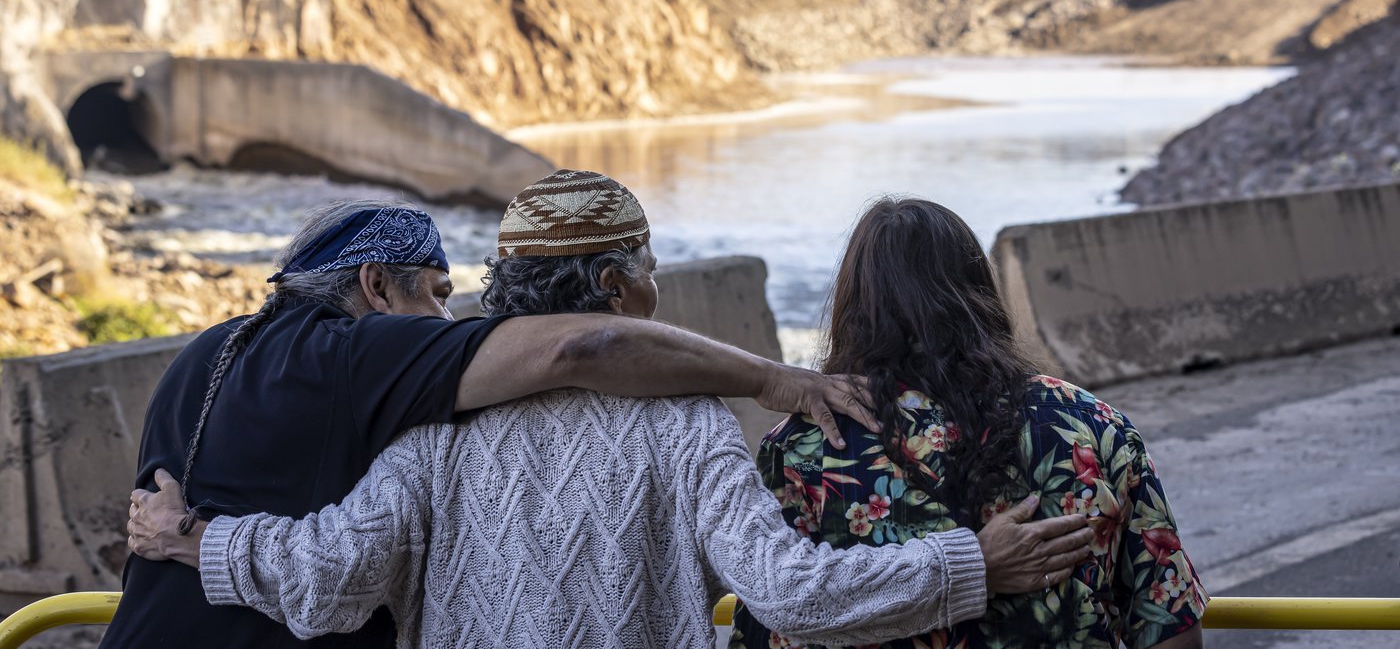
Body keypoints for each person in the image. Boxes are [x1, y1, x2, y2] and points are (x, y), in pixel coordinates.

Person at [127, 171, 1095, 647]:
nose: (655, 290)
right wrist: (971, 562)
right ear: (613, 286)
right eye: (649, 270)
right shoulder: (681, 423)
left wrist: (194, 539)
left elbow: (329, 573)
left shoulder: (431, 427)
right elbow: (790, 591)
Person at [730, 197, 1208, 649]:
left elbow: (771, 625)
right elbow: (1169, 626)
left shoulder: (802, 449)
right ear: (980, 292)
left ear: (853, 307)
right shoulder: (1094, 426)